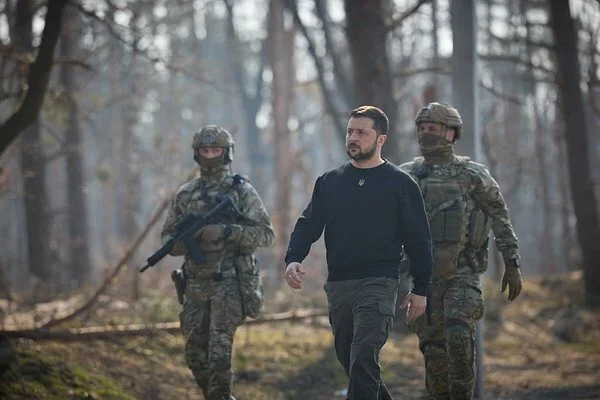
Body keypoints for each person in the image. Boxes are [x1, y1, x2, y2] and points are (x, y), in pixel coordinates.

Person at [284, 105, 434, 400]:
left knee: (364, 358)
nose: (353, 138)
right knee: (354, 365)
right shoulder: (330, 182)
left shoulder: (401, 184)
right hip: (339, 285)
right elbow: (308, 224)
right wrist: (293, 258)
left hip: (379, 283)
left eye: (361, 133)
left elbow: (419, 240)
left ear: (381, 139)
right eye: (350, 131)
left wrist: (421, 288)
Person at [400, 102, 523, 400]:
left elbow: (499, 215)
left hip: (462, 275)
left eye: (433, 128)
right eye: (423, 128)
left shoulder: (473, 175)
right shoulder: (406, 176)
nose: (426, 134)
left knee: (459, 340)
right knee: (434, 355)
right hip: (423, 282)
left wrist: (512, 261)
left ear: (451, 134)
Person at [160, 125, 274, 400]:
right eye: (205, 150)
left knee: (219, 357)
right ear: (197, 154)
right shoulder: (186, 193)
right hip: (195, 286)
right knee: (195, 355)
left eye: (216, 150)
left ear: (226, 153)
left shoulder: (241, 192)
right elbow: (168, 235)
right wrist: (182, 242)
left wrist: (226, 232)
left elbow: (265, 234)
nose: (210, 155)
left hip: (230, 285)